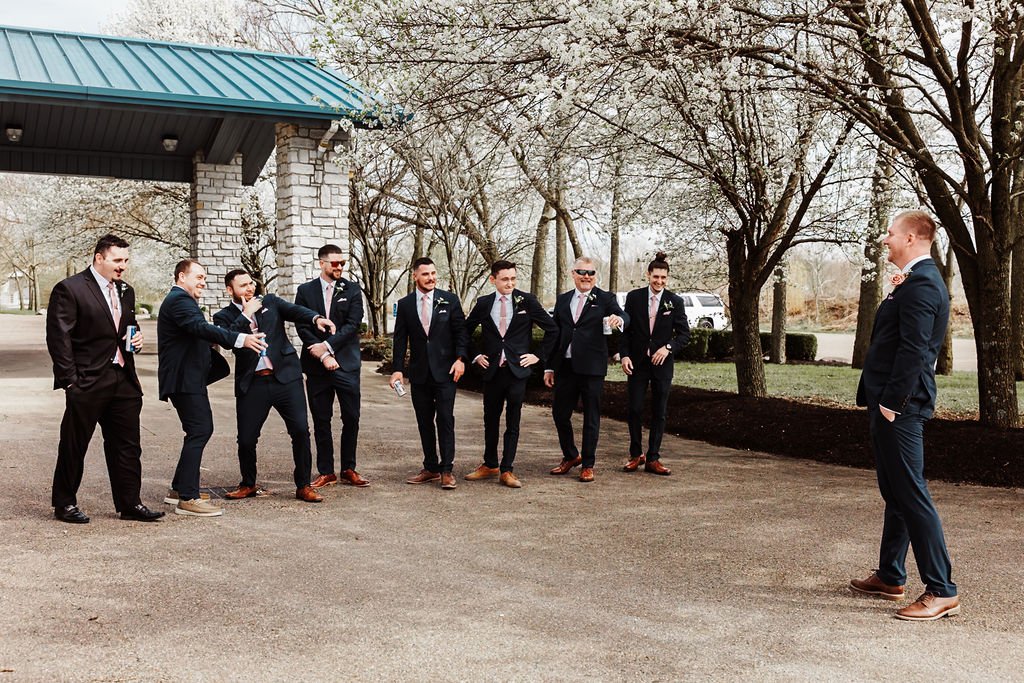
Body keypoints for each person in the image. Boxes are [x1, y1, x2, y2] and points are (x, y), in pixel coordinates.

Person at [850, 210, 960, 621]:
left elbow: (916, 351)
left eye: (891, 233)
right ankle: (891, 576)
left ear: (911, 238)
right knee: (896, 493)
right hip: (891, 403)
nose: (885, 239)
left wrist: (891, 404)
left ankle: (942, 590)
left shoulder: (924, 284)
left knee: (912, 495)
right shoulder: (912, 282)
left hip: (902, 407)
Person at [46, 233, 163, 523]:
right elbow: (59, 338)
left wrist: (136, 339)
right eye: (117, 260)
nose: (123, 266)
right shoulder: (70, 289)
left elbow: (126, 327)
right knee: (75, 444)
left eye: (126, 260)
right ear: (99, 258)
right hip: (86, 381)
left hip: (123, 379)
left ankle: (130, 504)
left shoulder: (127, 291)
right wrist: (71, 381)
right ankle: (64, 503)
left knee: (128, 446)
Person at [213, 269, 335, 503]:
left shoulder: (269, 302)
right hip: (253, 383)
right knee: (246, 439)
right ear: (230, 290)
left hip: (286, 379)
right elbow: (227, 339)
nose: (250, 288)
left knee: (300, 431)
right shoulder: (223, 316)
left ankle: (303, 486)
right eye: (243, 285)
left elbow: (295, 311)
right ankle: (248, 483)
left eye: (251, 283)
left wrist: (316, 318)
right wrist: (246, 314)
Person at [158, 259, 265, 517]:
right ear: (181, 277)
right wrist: (240, 338)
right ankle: (188, 498)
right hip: (184, 380)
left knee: (197, 430)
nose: (203, 283)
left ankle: (179, 489)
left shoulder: (182, 300)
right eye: (199, 277)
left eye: (205, 278)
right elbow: (200, 328)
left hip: (188, 379)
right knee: (200, 430)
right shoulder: (180, 300)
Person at [464, 260, 557, 488]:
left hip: (517, 372)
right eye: (505, 279)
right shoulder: (484, 303)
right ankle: (490, 464)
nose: (510, 283)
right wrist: (476, 356)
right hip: (492, 371)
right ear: (493, 279)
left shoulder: (527, 301)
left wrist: (537, 356)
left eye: (513, 278)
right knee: (490, 420)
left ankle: (507, 470)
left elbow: (553, 329)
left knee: (513, 421)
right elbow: (464, 332)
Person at [544, 257, 628, 482]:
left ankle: (588, 464)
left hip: (592, 368)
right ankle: (571, 456)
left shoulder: (605, 298)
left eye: (591, 273)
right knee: (560, 414)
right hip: (566, 367)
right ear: (573, 273)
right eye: (582, 272)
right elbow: (555, 335)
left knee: (591, 417)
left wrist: (618, 319)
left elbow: (624, 316)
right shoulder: (563, 300)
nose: (586, 276)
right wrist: (549, 367)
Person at [390, 257, 468, 490]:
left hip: (446, 372)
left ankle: (447, 470)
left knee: (445, 419)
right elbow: (400, 339)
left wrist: (461, 359)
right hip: (420, 373)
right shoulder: (405, 304)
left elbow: (461, 332)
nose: (431, 278)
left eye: (433, 273)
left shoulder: (450, 300)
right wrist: (397, 370)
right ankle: (431, 467)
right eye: (425, 274)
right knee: (424, 421)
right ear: (415, 276)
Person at [294, 245, 368, 489]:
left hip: (346, 364)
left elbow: (353, 324)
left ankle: (349, 468)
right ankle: (326, 471)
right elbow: (302, 326)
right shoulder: (305, 291)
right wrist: (322, 354)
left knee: (352, 417)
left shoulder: (352, 289)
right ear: (322, 263)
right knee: (321, 419)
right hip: (316, 366)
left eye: (342, 263)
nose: (339, 267)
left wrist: (327, 346)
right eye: (335, 263)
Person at [619, 252, 690, 476]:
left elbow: (684, 335)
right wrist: (624, 355)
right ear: (648, 275)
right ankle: (635, 454)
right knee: (634, 409)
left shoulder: (675, 301)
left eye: (663, 278)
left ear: (667, 278)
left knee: (659, 411)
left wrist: (668, 347)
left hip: (662, 365)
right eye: (656, 277)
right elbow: (625, 331)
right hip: (637, 363)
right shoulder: (634, 298)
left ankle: (653, 458)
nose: (659, 281)